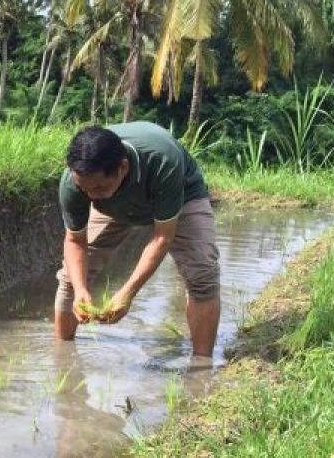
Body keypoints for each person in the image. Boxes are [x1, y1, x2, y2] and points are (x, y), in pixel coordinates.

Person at [54, 123, 220, 357]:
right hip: (114, 206)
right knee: (71, 278)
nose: (91, 195)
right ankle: (63, 357)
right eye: (85, 189)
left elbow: (163, 236)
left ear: (122, 167)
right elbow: (74, 241)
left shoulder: (162, 160)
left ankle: (202, 367)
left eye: (99, 187)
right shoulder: (76, 183)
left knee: (202, 274)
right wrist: (81, 289)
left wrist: (127, 292)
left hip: (181, 197)